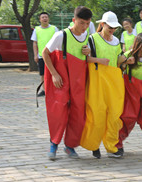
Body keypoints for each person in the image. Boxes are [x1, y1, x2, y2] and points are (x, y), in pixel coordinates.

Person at [42, 6, 92, 160]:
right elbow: (45, 53)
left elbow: (87, 57)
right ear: (74, 20)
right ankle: (54, 143)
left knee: (78, 113)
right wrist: (54, 74)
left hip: (79, 81)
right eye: (81, 23)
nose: (84, 27)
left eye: (87, 23)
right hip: (61, 80)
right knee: (58, 111)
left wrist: (88, 52)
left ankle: (69, 146)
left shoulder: (87, 36)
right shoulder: (61, 35)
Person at [80, 11, 125, 158]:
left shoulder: (117, 41)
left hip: (114, 80)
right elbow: (84, 60)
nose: (112, 29)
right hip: (97, 79)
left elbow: (117, 60)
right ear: (102, 24)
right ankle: (94, 145)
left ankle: (111, 147)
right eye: (109, 26)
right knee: (96, 113)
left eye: (114, 27)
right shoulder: (92, 39)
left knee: (114, 114)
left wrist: (126, 60)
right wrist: (98, 60)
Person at [31, 12, 58, 97]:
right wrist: (35, 55)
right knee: (43, 74)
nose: (45, 19)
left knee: (54, 72)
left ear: (48, 19)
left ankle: (55, 89)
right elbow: (35, 43)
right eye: (43, 17)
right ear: (40, 19)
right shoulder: (36, 30)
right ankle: (44, 90)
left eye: (46, 17)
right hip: (41, 56)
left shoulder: (54, 28)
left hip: (53, 56)